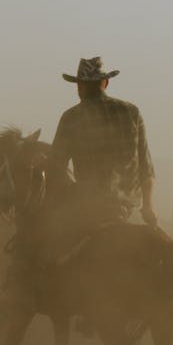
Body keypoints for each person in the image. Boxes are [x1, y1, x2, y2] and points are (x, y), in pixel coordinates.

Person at [50, 57, 158, 233]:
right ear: (105, 83)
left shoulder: (72, 117)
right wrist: (148, 206)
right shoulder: (132, 112)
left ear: (80, 86)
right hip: (130, 209)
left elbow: (56, 168)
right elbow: (147, 169)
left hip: (90, 209)